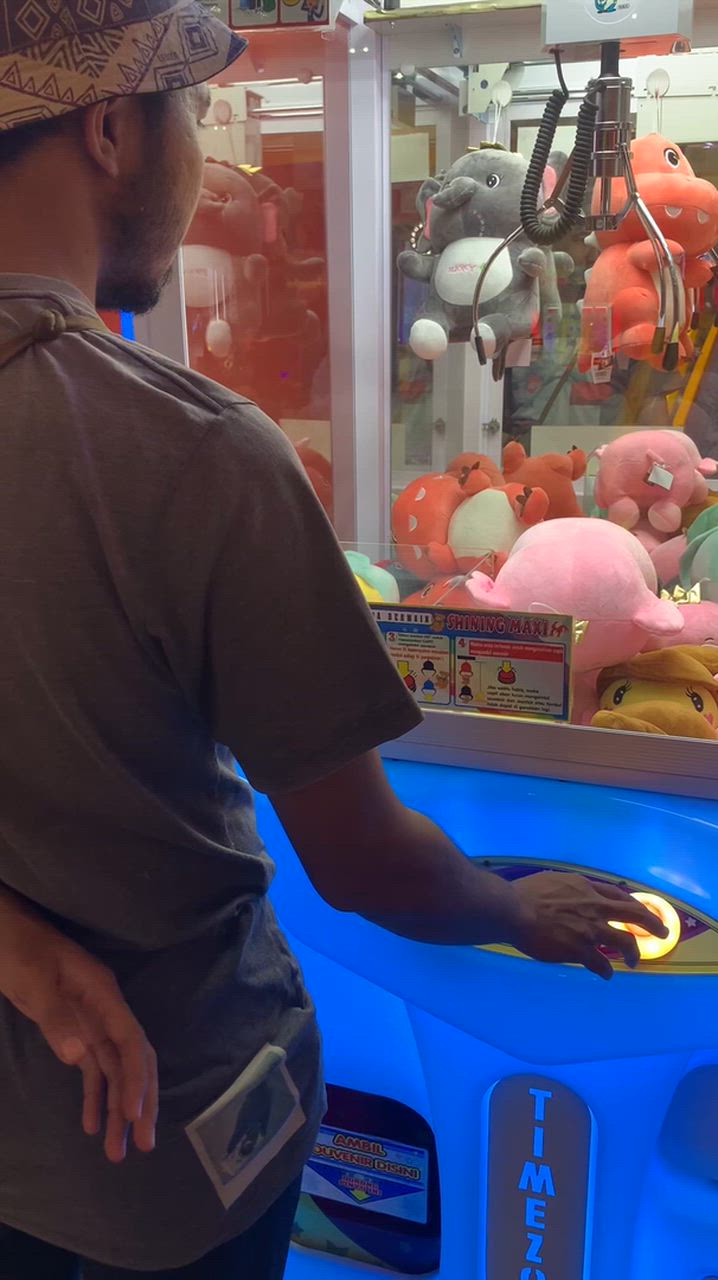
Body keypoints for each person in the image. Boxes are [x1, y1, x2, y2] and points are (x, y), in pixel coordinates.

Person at [0, 1, 667, 1276]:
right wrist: (509, 904)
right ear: (111, 128)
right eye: (196, 110)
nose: (205, 156)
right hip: (164, 1148)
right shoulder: (192, 453)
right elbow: (363, 862)